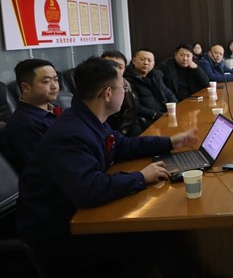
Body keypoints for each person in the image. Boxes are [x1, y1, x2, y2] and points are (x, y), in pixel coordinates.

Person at [16, 56, 199, 277]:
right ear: (108, 93)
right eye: (123, 87)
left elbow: (121, 145)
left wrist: (170, 142)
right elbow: (89, 189)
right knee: (156, 232)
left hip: (74, 215)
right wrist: (141, 177)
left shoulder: (88, 118)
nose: (126, 93)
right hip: (58, 233)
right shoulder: (70, 133)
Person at [0, 59, 60, 174]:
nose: (54, 86)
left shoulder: (55, 109)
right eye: (46, 81)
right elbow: (43, 169)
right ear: (26, 87)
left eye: (56, 80)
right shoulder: (23, 125)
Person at [124, 49, 176, 129]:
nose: (146, 63)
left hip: (163, 116)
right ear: (134, 61)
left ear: (153, 64)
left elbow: (168, 93)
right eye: (142, 59)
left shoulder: (156, 76)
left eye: (149, 60)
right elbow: (135, 107)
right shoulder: (127, 80)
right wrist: (158, 115)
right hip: (146, 121)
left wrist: (175, 107)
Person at [101, 50, 142, 137]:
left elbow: (130, 115)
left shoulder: (126, 85)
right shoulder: (91, 87)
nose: (115, 70)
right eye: (111, 66)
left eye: (120, 67)